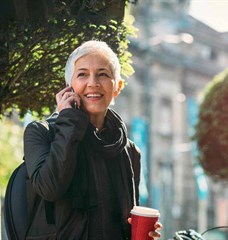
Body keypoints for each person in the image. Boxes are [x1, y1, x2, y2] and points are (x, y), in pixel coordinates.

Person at [24, 40, 162, 239]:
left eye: (103, 74)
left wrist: (142, 232)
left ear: (117, 87)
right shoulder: (41, 133)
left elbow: (127, 220)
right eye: (82, 74)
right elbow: (50, 187)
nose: (93, 83)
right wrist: (69, 121)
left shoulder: (130, 152)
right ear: (69, 87)